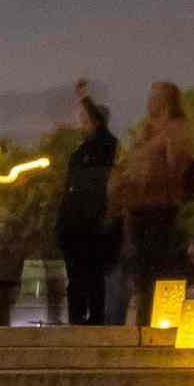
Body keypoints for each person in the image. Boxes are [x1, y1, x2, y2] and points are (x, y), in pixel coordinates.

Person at [120, 81, 194, 321]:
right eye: (150, 95)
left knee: (159, 266)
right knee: (139, 268)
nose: (149, 101)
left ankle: (164, 319)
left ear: (167, 100)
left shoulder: (175, 129)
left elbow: (178, 166)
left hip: (160, 207)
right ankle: (143, 321)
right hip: (137, 208)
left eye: (155, 96)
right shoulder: (145, 131)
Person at [52, 84, 124, 327]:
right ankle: (76, 318)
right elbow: (67, 186)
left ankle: (95, 320)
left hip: (94, 221)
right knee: (75, 276)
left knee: (94, 275)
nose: (82, 124)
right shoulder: (79, 153)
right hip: (74, 222)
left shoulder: (106, 145)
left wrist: (84, 98)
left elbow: (99, 125)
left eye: (86, 119)